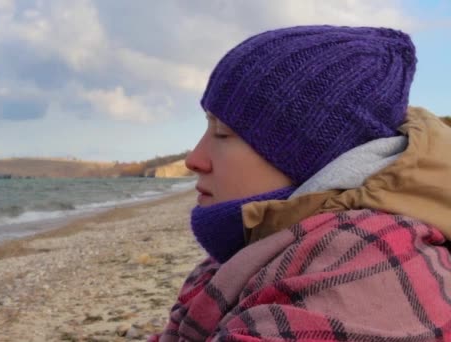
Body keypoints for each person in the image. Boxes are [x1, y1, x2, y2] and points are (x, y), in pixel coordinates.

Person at [152, 25, 451, 341]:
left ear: (312, 156)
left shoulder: (361, 258)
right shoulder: (272, 242)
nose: (194, 159)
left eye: (223, 133)